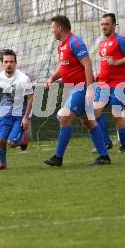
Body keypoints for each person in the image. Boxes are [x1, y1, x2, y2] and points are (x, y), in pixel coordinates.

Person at [43, 15, 111, 167]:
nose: (51, 30)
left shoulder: (75, 42)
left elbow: (87, 65)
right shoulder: (62, 45)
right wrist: (51, 79)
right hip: (73, 89)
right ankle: (104, 156)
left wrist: (89, 89)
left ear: (59, 28)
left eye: (52, 27)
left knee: (65, 118)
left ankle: (58, 158)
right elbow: (63, 67)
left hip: (81, 88)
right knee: (89, 122)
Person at [92, 13, 125, 154]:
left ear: (114, 25)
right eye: (102, 24)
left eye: (107, 24)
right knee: (94, 113)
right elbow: (106, 63)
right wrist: (99, 73)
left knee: (116, 114)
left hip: (118, 84)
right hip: (103, 83)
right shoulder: (102, 44)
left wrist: (117, 62)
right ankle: (105, 143)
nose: (104, 27)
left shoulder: (121, 40)